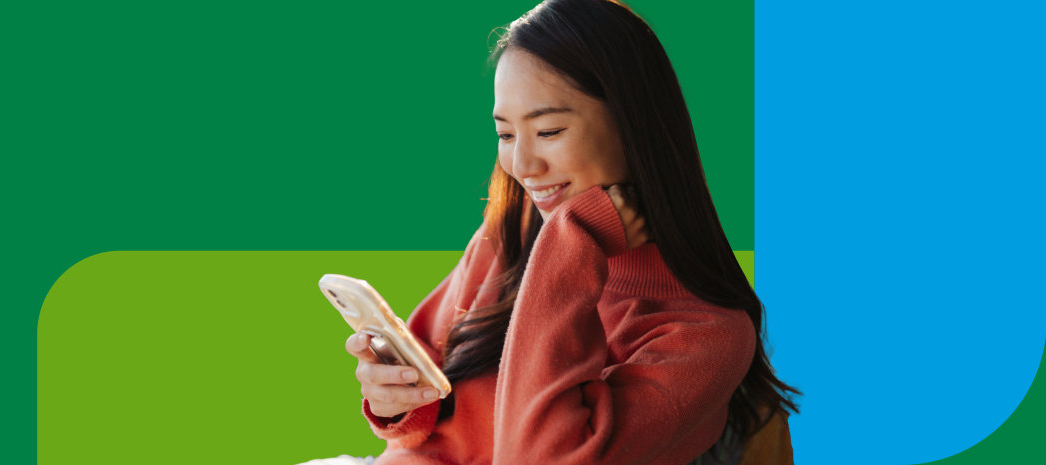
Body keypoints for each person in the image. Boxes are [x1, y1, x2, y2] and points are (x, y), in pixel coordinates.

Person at [304, 0, 801, 463]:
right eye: (505, 134)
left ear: (634, 125)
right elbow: (427, 406)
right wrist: (398, 402)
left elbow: (541, 455)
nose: (522, 165)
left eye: (548, 132)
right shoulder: (509, 235)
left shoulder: (705, 334)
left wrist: (571, 245)